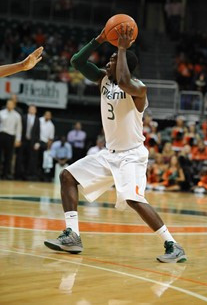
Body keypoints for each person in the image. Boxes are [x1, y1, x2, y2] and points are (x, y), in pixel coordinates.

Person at [44, 24, 187, 263]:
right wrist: (98, 40)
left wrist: (121, 49)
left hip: (131, 155)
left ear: (123, 64)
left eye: (112, 60)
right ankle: (73, 236)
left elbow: (123, 80)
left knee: (134, 200)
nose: (107, 64)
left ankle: (173, 245)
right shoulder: (103, 79)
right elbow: (76, 62)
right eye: (109, 60)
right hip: (109, 154)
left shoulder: (139, 89)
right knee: (67, 176)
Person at [15, 105, 40, 180]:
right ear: (28, 109)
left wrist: (37, 142)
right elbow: (19, 129)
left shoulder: (37, 119)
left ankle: (27, 175)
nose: (32, 110)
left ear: (35, 111)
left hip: (31, 142)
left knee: (30, 159)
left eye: (33, 109)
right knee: (20, 158)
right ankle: (18, 174)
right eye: (31, 109)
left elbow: (38, 132)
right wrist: (18, 139)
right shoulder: (23, 117)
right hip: (23, 140)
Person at [0, 99, 22, 179]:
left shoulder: (17, 115)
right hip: (1, 134)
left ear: (14, 105)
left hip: (10, 136)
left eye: (11, 104)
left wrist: (18, 139)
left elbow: (18, 128)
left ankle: (5, 174)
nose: (9, 105)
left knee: (8, 156)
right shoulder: (1, 113)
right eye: (8, 104)